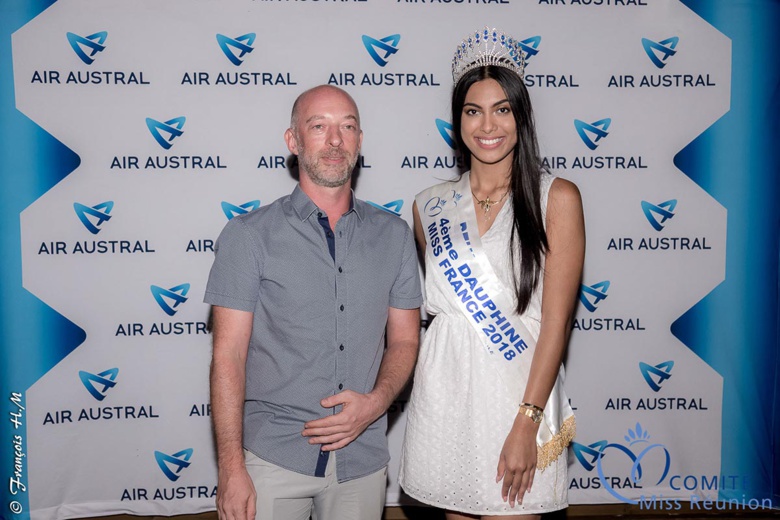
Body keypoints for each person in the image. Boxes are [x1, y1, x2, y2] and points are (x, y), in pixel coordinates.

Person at [205, 84, 422, 520]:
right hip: (273, 457)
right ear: (294, 141)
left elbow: (404, 342)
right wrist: (230, 468)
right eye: (318, 126)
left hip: (361, 462)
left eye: (347, 127)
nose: (335, 140)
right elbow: (227, 356)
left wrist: (376, 403)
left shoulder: (394, 235)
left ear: (360, 140)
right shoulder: (249, 236)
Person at [400, 28, 584, 519]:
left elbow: (555, 323)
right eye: (473, 110)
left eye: (503, 109)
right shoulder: (428, 206)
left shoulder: (556, 198)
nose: (488, 125)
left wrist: (527, 422)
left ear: (521, 117)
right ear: (457, 120)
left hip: (517, 398)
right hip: (446, 395)